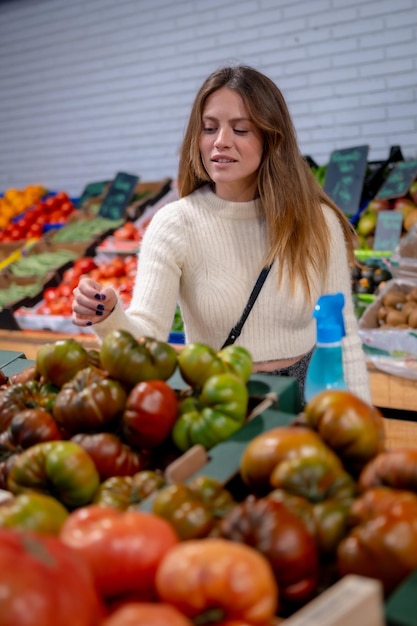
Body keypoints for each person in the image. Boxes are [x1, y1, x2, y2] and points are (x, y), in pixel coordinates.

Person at [72, 64, 371, 404]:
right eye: (209, 128)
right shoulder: (175, 224)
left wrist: (365, 419)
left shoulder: (315, 221)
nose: (221, 142)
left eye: (241, 130)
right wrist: (109, 316)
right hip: (219, 401)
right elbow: (149, 337)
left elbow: (344, 334)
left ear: (271, 139)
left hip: (307, 398)